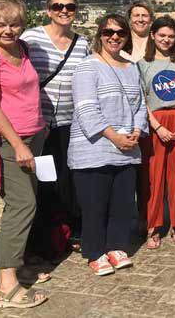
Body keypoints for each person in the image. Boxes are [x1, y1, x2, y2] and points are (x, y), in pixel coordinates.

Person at [68, 14, 148, 276]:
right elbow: (86, 109)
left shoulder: (132, 66)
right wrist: (115, 137)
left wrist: (136, 131)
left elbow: (139, 105)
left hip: (126, 147)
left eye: (120, 32)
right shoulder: (87, 66)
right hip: (94, 148)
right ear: (99, 34)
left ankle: (116, 246)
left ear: (126, 37)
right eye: (108, 32)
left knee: (122, 204)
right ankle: (94, 251)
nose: (114, 36)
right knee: (95, 205)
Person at [0, 0, 48, 308]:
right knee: (22, 206)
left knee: (25, 202)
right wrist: (19, 144)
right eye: (0, 24)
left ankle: (15, 263)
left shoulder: (21, 48)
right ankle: (6, 286)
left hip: (34, 133)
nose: (7, 30)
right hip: (12, 140)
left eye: (13, 24)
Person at [22, 0, 89, 260]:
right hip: (36, 124)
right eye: (58, 6)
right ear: (48, 10)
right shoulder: (31, 38)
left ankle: (62, 235)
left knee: (64, 182)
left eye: (70, 6)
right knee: (37, 185)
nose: (64, 10)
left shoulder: (82, 43)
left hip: (68, 124)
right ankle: (37, 243)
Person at [138, 16, 175, 249]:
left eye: (171, 36)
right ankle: (153, 227)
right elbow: (141, 100)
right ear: (152, 36)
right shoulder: (143, 64)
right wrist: (157, 127)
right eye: (162, 35)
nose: (166, 40)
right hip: (155, 122)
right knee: (153, 177)